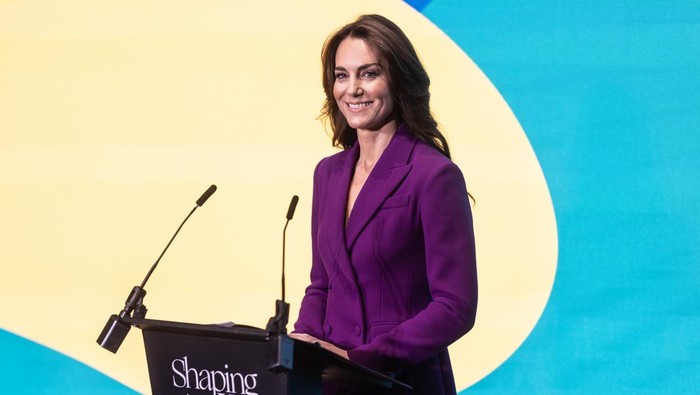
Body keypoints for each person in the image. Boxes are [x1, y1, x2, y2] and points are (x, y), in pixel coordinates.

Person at [290, 14, 478, 395]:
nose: (353, 89)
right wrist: (301, 344)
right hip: (328, 383)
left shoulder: (434, 175)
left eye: (369, 73)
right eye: (342, 76)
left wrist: (363, 360)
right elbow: (322, 284)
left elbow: (454, 307)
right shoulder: (328, 174)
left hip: (399, 380)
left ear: (398, 80)